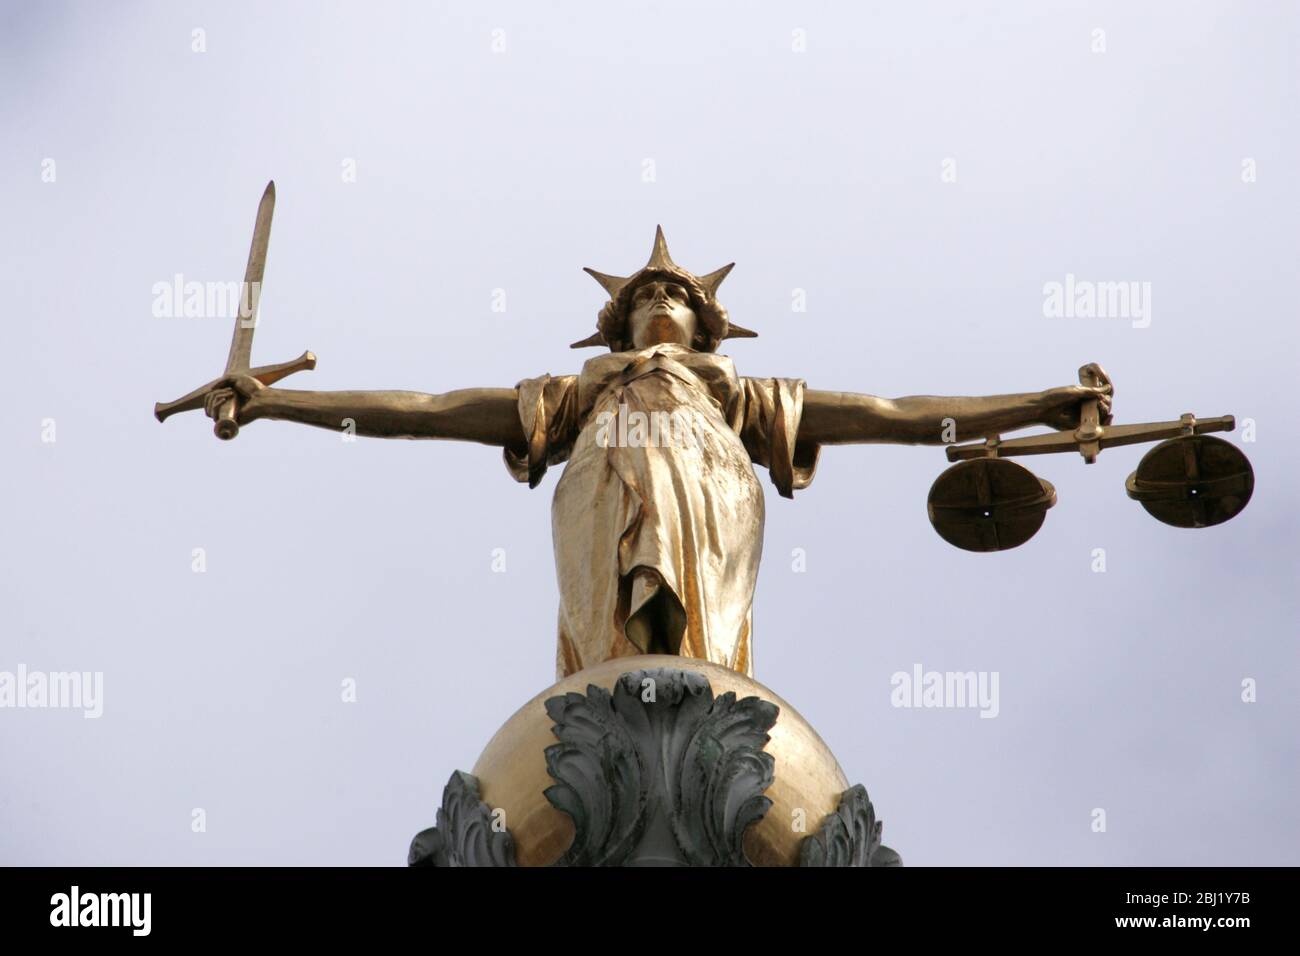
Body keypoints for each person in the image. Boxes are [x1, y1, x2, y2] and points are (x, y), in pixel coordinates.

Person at [203, 228, 1111, 679]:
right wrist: (283, 403)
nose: (666, 299)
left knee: (702, 670)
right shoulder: (582, 392)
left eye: (679, 293)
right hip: (601, 489)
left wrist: (1036, 402)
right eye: (650, 294)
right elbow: (430, 410)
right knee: (613, 664)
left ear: (711, 326)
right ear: (623, 318)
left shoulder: (735, 395)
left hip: (712, 493)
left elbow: (890, 411)